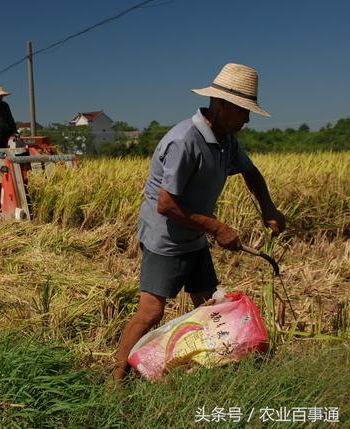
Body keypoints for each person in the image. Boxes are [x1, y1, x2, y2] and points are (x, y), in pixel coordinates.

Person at [112, 63, 286, 381]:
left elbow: (251, 172)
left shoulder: (226, 140)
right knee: (151, 311)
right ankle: (115, 380)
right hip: (165, 237)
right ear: (220, 105)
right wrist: (217, 227)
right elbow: (166, 205)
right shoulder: (184, 142)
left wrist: (269, 208)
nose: (247, 120)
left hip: (194, 235)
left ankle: (207, 370)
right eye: (242, 112)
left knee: (208, 308)